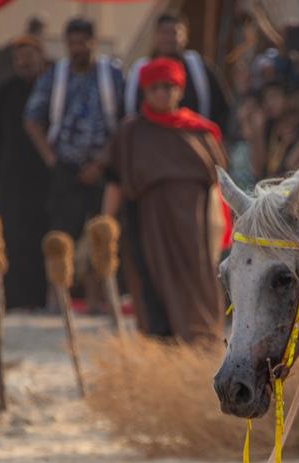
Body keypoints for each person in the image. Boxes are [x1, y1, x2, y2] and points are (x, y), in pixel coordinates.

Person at [101, 58, 227, 343]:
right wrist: (105, 224)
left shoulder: (200, 131)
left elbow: (217, 186)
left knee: (198, 278)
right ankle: (161, 342)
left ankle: (201, 339)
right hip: (149, 223)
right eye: (155, 88)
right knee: (152, 281)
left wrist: (219, 226)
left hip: (195, 225)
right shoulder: (131, 133)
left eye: (168, 87)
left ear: (179, 90)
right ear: (145, 91)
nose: (162, 93)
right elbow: (115, 181)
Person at [23, 18, 124, 313]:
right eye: (72, 43)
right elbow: (31, 119)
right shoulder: (55, 76)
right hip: (65, 167)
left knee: (100, 233)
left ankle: (96, 299)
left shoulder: (112, 75)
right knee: (61, 233)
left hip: (103, 167)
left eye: (82, 42)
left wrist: (103, 160)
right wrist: (52, 159)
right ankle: (57, 297)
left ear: (93, 42)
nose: (77, 48)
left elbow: (125, 120)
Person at [0, 35, 49, 313]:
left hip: (44, 177)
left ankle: (37, 298)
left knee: (39, 236)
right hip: (10, 177)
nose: (24, 62)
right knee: (7, 236)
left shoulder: (51, 89)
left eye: (29, 56)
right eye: (19, 58)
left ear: (41, 57)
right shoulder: (3, 93)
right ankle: (3, 298)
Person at [124, 12, 230, 130]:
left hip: (190, 135)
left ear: (185, 36)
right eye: (164, 32)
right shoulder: (140, 70)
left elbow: (222, 107)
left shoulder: (200, 69)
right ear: (155, 36)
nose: (169, 38)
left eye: (174, 33)